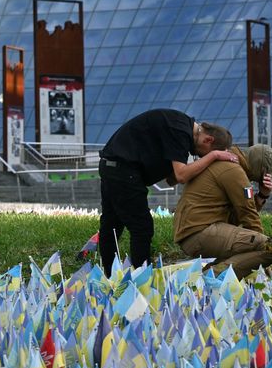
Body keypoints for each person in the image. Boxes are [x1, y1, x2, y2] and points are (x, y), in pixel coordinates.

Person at [98, 109, 238, 277]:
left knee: (112, 225)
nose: (201, 157)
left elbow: (171, 179)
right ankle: (142, 279)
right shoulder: (180, 131)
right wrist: (214, 155)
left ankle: (108, 275)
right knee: (141, 227)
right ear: (208, 140)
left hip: (112, 166)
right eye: (205, 154)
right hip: (123, 170)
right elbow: (181, 175)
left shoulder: (180, 126)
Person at [173, 144, 272, 278]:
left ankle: (204, 276)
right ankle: (209, 279)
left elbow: (237, 218)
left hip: (194, 231)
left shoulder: (230, 165)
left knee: (248, 247)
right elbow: (248, 214)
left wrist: (262, 195)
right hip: (200, 231)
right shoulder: (234, 170)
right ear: (262, 171)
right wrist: (264, 250)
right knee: (269, 247)